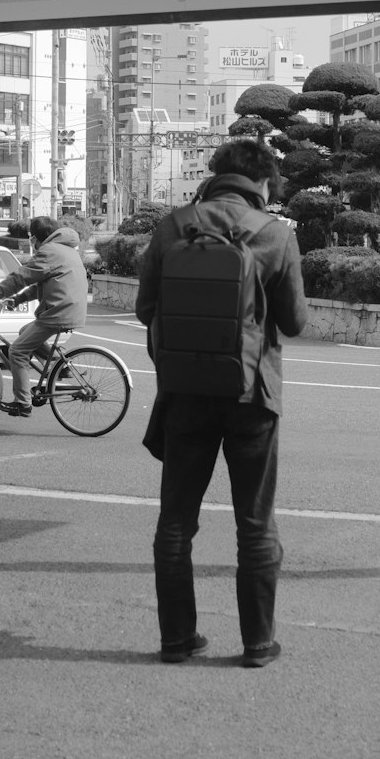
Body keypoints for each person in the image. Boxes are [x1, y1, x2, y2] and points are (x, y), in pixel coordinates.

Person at [136, 138, 308, 668]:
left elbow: (146, 310)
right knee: (254, 523)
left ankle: (177, 639)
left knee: (175, 523)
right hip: (252, 394)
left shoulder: (172, 226)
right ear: (263, 184)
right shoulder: (275, 234)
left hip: (185, 391)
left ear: (215, 174)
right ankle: (257, 643)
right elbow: (296, 323)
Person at [0, 215, 87, 417]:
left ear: (35, 238)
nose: (31, 242)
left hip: (59, 312)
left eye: (31, 238)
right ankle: (62, 367)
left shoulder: (49, 251)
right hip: (71, 308)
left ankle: (22, 403)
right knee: (26, 331)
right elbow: (40, 284)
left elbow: (21, 277)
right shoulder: (66, 249)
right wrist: (17, 300)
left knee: (16, 350)